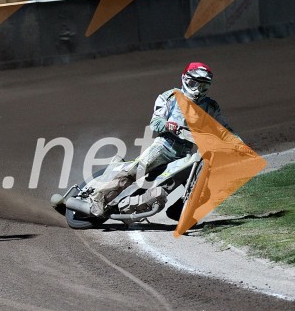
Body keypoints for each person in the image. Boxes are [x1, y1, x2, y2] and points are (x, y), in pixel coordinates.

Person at [87, 62, 242, 216]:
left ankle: (179, 210)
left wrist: (237, 143)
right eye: (193, 83)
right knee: (136, 170)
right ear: (184, 79)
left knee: (201, 179)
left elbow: (224, 130)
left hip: (185, 154)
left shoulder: (210, 106)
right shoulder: (170, 97)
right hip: (163, 147)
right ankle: (98, 197)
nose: (197, 89)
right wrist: (168, 125)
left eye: (202, 86)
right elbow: (155, 123)